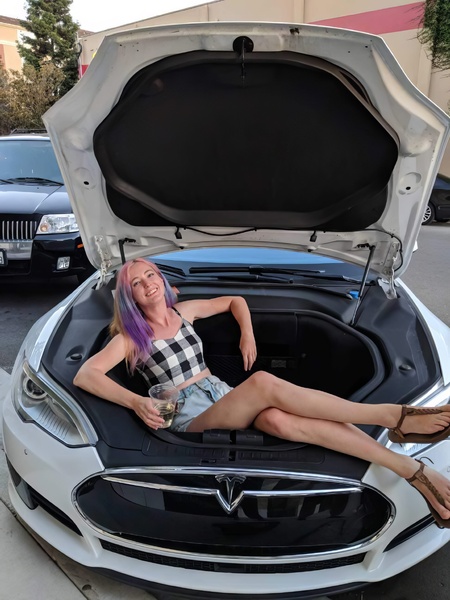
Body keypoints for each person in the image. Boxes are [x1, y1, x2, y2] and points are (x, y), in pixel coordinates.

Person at [74, 258, 450, 528]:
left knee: (276, 419)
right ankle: (394, 416)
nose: (147, 283)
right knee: (262, 383)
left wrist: (247, 333)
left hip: (221, 394)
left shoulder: (184, 311)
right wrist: (137, 401)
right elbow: (86, 375)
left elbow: (235, 301)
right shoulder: (129, 338)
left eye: (150, 274)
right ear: (130, 296)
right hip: (187, 414)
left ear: (160, 278)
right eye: (137, 283)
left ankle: (411, 470)